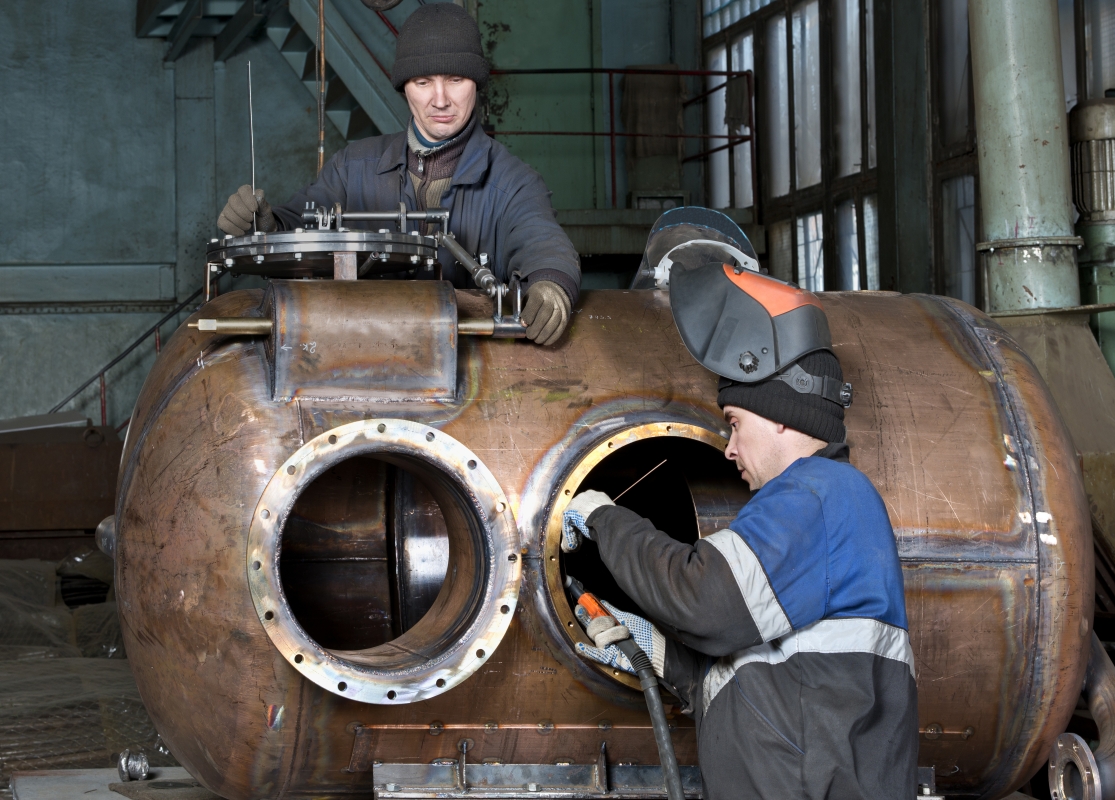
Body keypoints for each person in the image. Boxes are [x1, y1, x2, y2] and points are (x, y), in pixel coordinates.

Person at [560, 260, 918, 799]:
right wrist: (660, 654)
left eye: (734, 422)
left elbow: (705, 600)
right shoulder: (815, 505)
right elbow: (769, 688)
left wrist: (602, 518)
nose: (729, 448)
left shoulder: (821, 494)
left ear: (778, 414)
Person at [216, 3, 579, 345]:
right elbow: (298, 228)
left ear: (477, 84)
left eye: (455, 80)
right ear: (405, 88)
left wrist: (551, 286)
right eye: (423, 82)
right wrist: (265, 227)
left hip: (469, 378)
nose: (440, 100)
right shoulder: (352, 168)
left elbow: (542, 242)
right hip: (359, 359)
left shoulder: (513, 184)